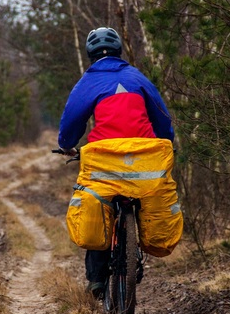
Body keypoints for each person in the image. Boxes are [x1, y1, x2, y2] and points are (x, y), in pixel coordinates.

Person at [58, 27, 176, 297]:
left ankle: (97, 280)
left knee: (99, 207)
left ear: (89, 54)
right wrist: (165, 142)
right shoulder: (138, 77)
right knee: (148, 196)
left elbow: (71, 120)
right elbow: (162, 119)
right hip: (144, 158)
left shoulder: (88, 82)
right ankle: (137, 242)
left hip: (104, 160)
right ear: (119, 50)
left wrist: (66, 146)